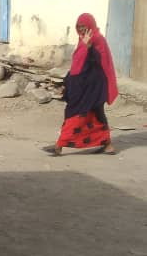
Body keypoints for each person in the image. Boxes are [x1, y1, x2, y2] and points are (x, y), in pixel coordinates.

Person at [50, 13, 118, 155]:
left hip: (94, 86)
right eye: (79, 26)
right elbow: (77, 65)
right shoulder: (82, 40)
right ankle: (106, 144)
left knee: (87, 114)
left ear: (90, 25)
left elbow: (100, 62)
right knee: (85, 114)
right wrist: (67, 82)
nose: (81, 29)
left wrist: (89, 47)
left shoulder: (98, 40)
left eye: (83, 26)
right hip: (81, 85)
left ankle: (59, 145)